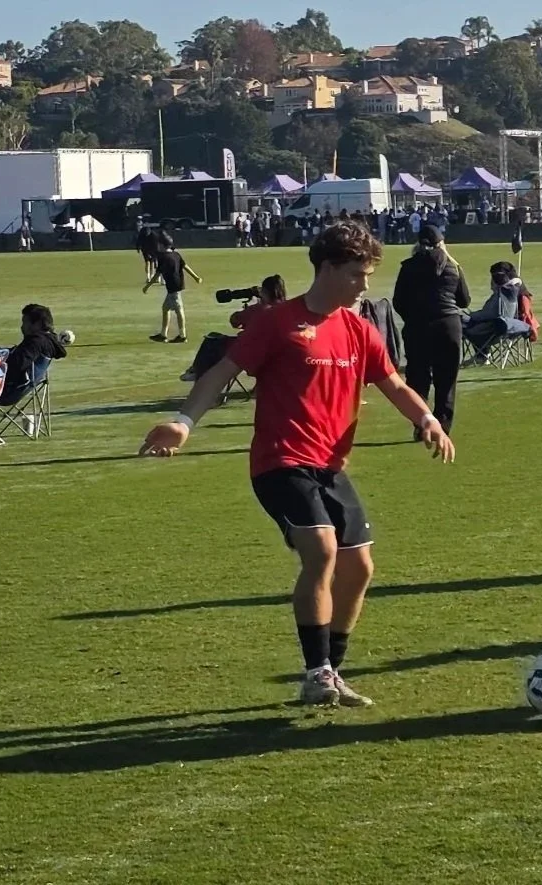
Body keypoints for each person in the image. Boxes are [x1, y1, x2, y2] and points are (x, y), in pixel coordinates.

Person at [138, 222, 455, 708]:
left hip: (331, 465)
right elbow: (221, 372)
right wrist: (183, 422)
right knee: (322, 549)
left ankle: (332, 670)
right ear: (327, 269)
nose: (365, 285)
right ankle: (318, 672)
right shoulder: (276, 322)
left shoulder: (359, 329)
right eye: (356, 274)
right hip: (280, 462)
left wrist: (428, 419)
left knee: (361, 567)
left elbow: (393, 383)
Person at [392, 224, 470, 432]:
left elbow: (398, 301)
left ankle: (421, 423)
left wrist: (412, 317)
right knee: (446, 378)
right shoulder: (453, 266)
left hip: (417, 326)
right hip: (448, 325)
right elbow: (464, 300)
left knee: (418, 377)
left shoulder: (408, 266)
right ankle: (443, 426)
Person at [181, 275, 288, 382]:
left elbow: (235, 321)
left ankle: (197, 372)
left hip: (248, 352)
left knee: (212, 340)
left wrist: (249, 308)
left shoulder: (259, 309)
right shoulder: (286, 309)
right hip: (275, 356)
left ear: (265, 292)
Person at [0, 304, 67, 407]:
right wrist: (0, 352)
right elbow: (19, 357)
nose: (22, 327)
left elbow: (15, 365)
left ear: (37, 324)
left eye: (25, 322)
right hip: (18, 389)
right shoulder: (48, 341)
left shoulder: (36, 342)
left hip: (5, 392)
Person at [464, 261, 533, 362]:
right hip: (510, 328)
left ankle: (482, 355)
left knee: (461, 322)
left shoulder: (503, 295)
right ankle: (482, 355)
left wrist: (471, 316)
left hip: (493, 330)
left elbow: (489, 314)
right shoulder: (514, 292)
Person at [142, 235, 201, 344]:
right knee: (165, 308)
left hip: (174, 287)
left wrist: (147, 286)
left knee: (179, 310)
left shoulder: (163, 257)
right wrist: (196, 277)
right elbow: (185, 266)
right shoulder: (176, 254)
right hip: (176, 285)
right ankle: (163, 334)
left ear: (161, 245)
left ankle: (182, 336)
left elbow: (157, 274)